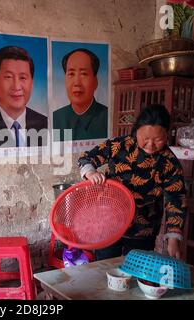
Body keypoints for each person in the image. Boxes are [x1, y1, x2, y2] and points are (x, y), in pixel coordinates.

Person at [78, 104, 187, 260]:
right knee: (104, 268)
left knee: (137, 271)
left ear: (167, 134)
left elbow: (176, 199)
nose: (150, 145)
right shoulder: (118, 146)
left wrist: (174, 237)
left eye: (158, 139)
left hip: (143, 229)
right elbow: (86, 157)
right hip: (109, 222)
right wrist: (90, 172)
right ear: (136, 131)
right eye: (145, 138)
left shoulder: (169, 162)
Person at [0, 46, 48, 149]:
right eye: (8, 77)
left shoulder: (45, 123)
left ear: (32, 82)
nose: (16, 87)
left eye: (23, 78)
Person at [53, 48, 108, 141]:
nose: (77, 83)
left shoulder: (107, 117)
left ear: (95, 82)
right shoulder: (56, 118)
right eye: (71, 74)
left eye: (83, 74)